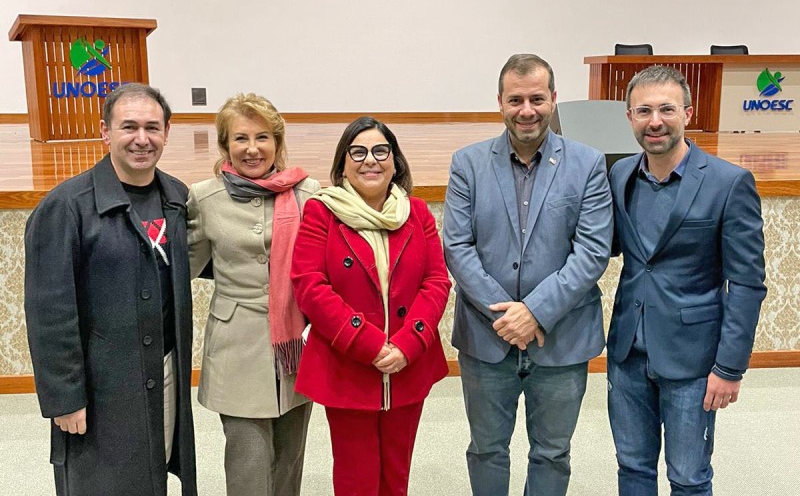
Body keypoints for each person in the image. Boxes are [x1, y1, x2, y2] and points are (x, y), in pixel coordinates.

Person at [443, 53, 613, 496]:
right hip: (486, 334)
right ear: (499, 101)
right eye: (515, 99)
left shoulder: (589, 163)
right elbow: (458, 247)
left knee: (552, 452)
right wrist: (508, 314)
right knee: (486, 449)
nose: (527, 110)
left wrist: (534, 312)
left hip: (562, 336)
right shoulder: (468, 163)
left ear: (554, 99)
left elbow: (592, 251)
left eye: (537, 98)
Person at [24, 83, 197, 495]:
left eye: (153, 127)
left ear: (167, 132)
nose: (142, 139)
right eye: (129, 127)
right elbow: (49, 312)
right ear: (105, 131)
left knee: (154, 470)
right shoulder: (66, 208)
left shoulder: (176, 197)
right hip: (101, 382)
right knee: (101, 480)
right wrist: (65, 396)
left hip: (164, 368)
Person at [607, 65, 767, 495]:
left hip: (694, 362)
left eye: (666, 109)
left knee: (689, 477)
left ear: (688, 113)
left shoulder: (729, 183)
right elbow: (607, 247)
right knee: (632, 469)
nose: (654, 121)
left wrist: (729, 367)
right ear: (629, 118)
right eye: (643, 111)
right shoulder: (619, 175)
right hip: (627, 354)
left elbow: (748, 283)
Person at [291, 116, 451, 496]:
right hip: (348, 365)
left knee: (397, 474)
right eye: (358, 152)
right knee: (355, 476)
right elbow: (310, 285)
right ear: (342, 163)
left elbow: (436, 282)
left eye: (381, 151)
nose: (370, 161)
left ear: (395, 161)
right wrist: (370, 344)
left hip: (407, 364)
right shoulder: (321, 212)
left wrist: (406, 346)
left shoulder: (417, 213)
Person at [187, 93, 319, 496]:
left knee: (290, 456)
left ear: (277, 143)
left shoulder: (307, 194)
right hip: (236, 344)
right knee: (248, 458)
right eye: (240, 138)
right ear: (225, 146)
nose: (252, 148)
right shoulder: (205, 198)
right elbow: (186, 267)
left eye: (262, 137)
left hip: (295, 344)